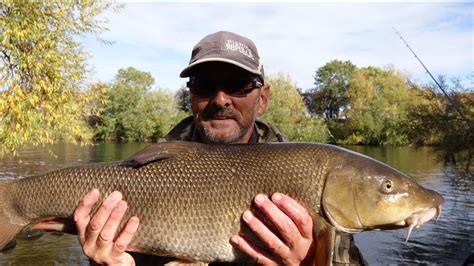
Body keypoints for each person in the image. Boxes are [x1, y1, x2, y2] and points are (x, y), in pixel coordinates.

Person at [73, 31, 363, 265]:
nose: (221, 99)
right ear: (191, 97)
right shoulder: (146, 171)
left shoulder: (312, 177)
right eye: (205, 84)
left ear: (262, 99)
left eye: (238, 84)